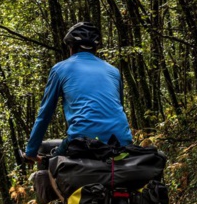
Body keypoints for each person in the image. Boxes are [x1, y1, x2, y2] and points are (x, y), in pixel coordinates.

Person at [24, 22, 133, 161]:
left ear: (71, 48)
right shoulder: (114, 71)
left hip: (82, 142)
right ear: (95, 49)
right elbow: (119, 108)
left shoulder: (60, 69)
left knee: (48, 165)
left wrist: (31, 151)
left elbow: (45, 114)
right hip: (121, 142)